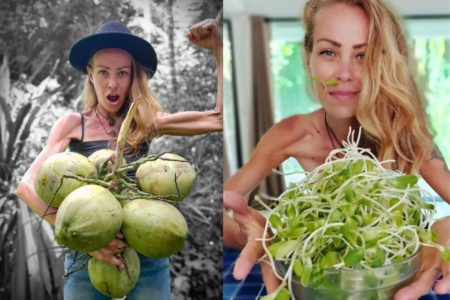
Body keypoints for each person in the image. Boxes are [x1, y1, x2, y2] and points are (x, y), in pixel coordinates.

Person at [223, 0, 450, 299]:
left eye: (363, 55)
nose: (345, 73)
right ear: (308, 58)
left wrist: (442, 231)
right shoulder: (291, 133)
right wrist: (258, 236)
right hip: (320, 282)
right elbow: (222, 207)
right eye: (329, 52)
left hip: (393, 283)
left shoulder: (405, 134)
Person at [16, 17, 222, 300]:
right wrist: (88, 243)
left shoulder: (145, 122)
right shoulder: (73, 123)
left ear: (133, 77)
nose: (112, 83)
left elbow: (218, 118)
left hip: (144, 253)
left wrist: (218, 49)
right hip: (87, 256)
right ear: (90, 74)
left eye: (122, 73)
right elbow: (26, 186)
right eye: (103, 72)